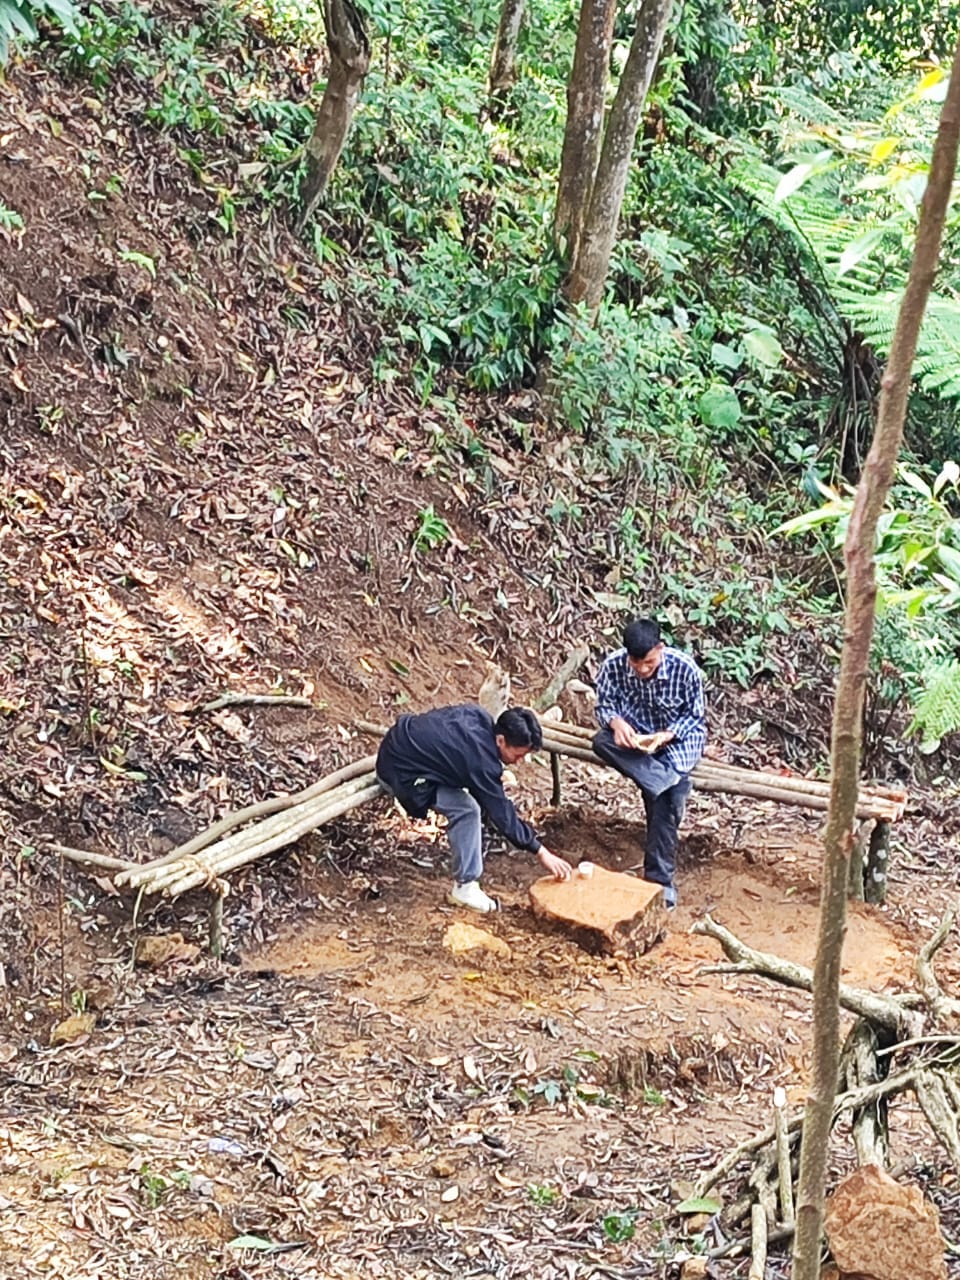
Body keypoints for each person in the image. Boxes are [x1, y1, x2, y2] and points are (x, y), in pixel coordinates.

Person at [377, 704, 572, 912]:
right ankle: (465, 887)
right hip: (401, 773)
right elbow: (503, 815)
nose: (519, 762)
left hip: (398, 742)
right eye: (518, 755)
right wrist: (541, 851)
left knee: (478, 794)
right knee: (467, 810)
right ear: (500, 740)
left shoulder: (479, 716)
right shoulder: (480, 762)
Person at [592, 618, 706, 909]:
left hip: (677, 742)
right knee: (601, 741)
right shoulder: (613, 665)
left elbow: (694, 717)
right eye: (636, 663)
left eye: (649, 663)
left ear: (661, 648)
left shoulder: (685, 669)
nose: (642, 669)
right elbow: (604, 705)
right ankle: (664, 781)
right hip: (635, 742)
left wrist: (665, 736)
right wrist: (616, 723)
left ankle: (659, 882)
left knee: (664, 800)